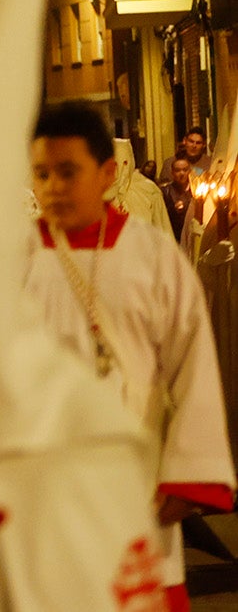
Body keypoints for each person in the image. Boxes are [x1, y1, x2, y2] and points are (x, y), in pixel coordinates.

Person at [26, 102, 234, 608]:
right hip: (42, 483)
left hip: (136, 480)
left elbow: (193, 366)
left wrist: (186, 476)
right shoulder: (12, 260)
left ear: (107, 173)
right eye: (41, 173)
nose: (52, 186)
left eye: (67, 172)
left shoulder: (152, 257)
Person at [161, 157, 194, 242]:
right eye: (177, 170)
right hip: (173, 237)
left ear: (189, 171)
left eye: (185, 170)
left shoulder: (196, 191)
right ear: (172, 172)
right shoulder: (165, 192)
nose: (181, 173)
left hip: (191, 235)